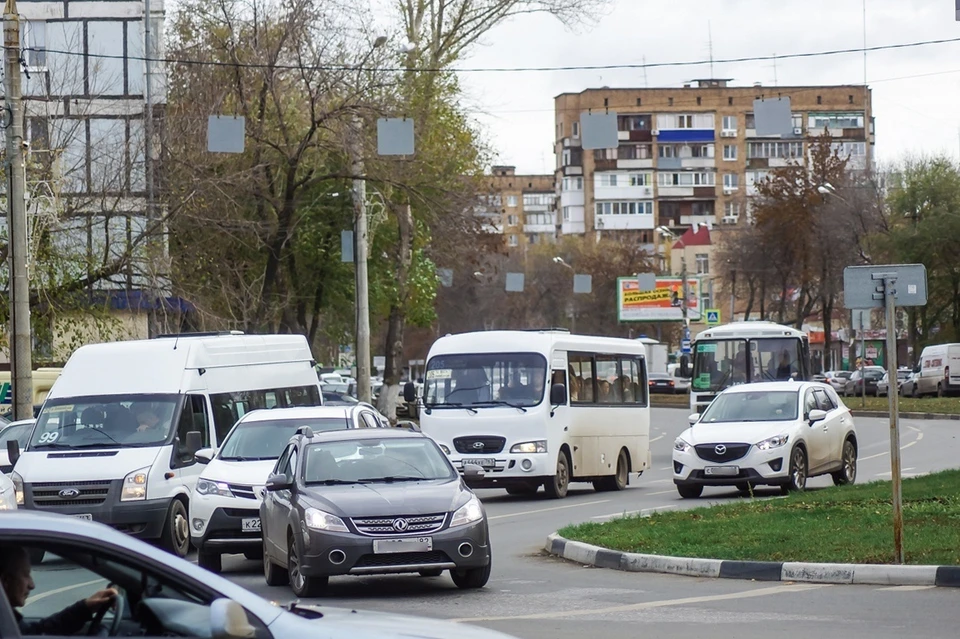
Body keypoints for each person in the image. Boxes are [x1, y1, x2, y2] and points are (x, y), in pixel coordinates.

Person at [0, 544, 118, 635]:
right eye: (26, 575)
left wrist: (85, 607)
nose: (32, 585)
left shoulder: (7, 622)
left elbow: (37, 631)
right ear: (6, 581)